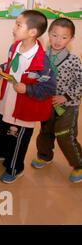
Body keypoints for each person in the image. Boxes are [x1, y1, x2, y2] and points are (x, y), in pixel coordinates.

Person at [0, 10, 56, 184]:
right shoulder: (15, 46)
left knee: (17, 138)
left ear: (33, 32)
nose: (14, 28)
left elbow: (48, 88)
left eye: (19, 25)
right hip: (8, 99)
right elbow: (11, 64)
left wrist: (27, 88)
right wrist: (1, 69)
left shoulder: (42, 60)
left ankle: (15, 167)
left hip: (24, 105)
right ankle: (2, 151)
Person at [31, 18, 82, 184]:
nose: (58, 40)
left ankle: (79, 165)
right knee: (46, 131)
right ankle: (45, 156)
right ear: (48, 35)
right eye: (54, 35)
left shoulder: (73, 60)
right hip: (48, 103)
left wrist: (65, 97)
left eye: (64, 37)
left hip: (68, 105)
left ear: (71, 39)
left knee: (65, 135)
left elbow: (80, 83)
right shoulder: (42, 56)